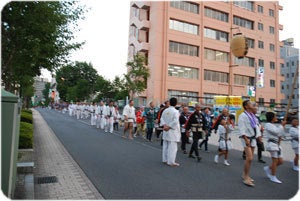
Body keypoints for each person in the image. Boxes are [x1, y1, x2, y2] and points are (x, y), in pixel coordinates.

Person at [238, 100, 261, 187]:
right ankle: (246, 178)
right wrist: (245, 138)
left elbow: (256, 127)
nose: (252, 104)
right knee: (249, 158)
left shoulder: (253, 116)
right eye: (250, 104)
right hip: (246, 138)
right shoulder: (242, 116)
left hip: (253, 139)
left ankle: (245, 174)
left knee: (250, 159)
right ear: (246, 106)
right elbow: (241, 128)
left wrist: (259, 136)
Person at [263, 112, 286, 184]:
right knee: (275, 161)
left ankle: (268, 168)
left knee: (280, 161)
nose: (276, 117)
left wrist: (282, 127)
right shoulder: (267, 125)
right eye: (275, 116)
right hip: (272, 145)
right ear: (272, 117)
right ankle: (273, 176)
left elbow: (280, 134)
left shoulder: (273, 125)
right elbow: (276, 132)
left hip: (277, 145)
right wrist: (281, 126)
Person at [160, 97, 181, 166]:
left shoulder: (165, 110)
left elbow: (161, 118)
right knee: (172, 147)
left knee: (165, 145)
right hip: (172, 130)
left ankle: (165, 159)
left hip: (166, 130)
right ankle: (171, 161)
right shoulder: (176, 111)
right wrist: (168, 126)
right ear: (176, 103)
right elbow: (175, 121)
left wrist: (164, 125)